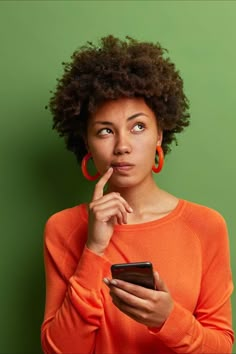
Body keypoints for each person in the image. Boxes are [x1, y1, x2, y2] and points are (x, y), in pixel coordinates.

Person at [41, 35, 234, 354]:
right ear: (87, 143)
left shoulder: (206, 226)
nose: (122, 146)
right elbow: (59, 350)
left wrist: (167, 319)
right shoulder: (63, 229)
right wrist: (94, 248)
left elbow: (221, 347)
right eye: (105, 130)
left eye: (138, 127)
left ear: (160, 132)